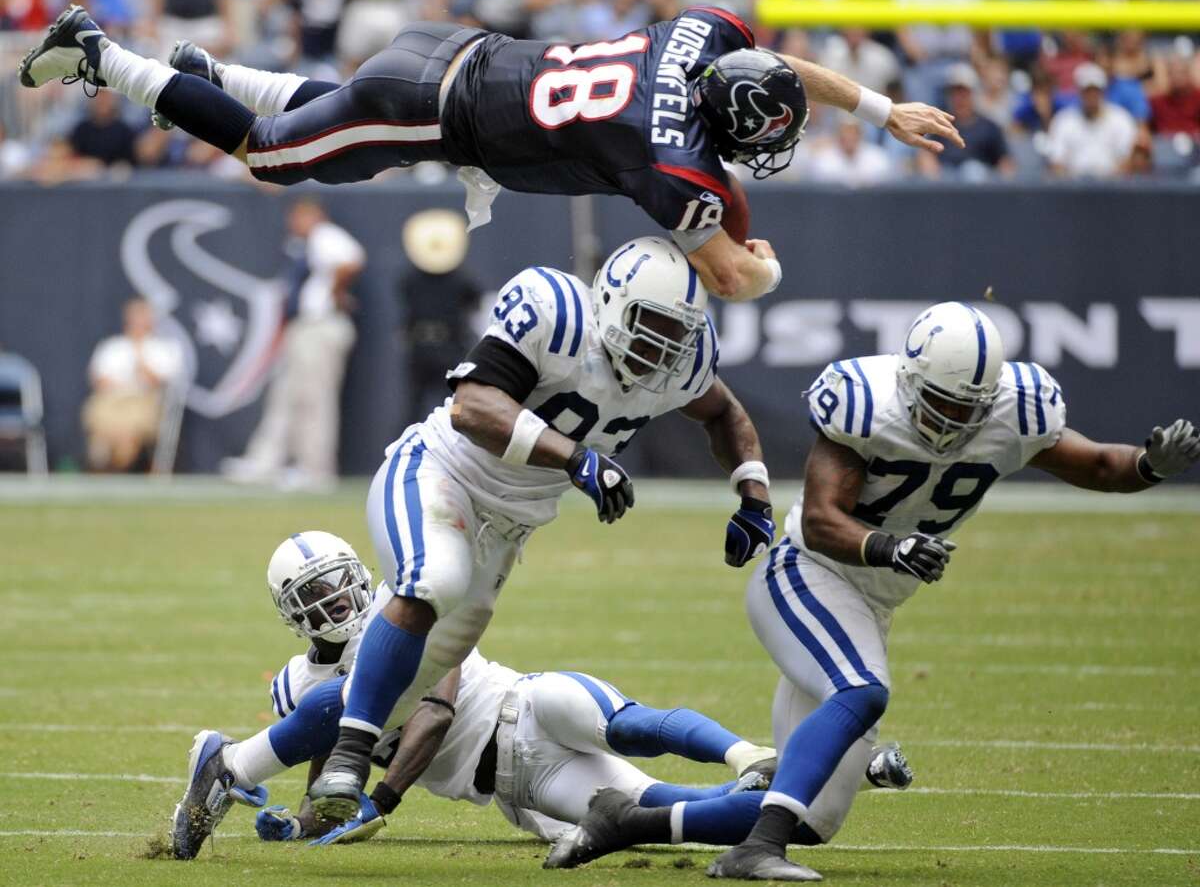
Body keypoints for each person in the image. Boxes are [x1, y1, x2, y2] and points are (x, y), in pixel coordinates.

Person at [544, 301, 1200, 880]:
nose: (954, 419)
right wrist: (889, 545)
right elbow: (826, 520)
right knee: (862, 688)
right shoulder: (868, 404)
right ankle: (753, 852)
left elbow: (1098, 465)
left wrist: (1147, 466)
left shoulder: (1015, 412)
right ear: (910, 380)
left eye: (969, 407)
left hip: (871, 602)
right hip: (807, 577)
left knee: (815, 815)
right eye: (942, 402)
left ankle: (625, 818)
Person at [299, 235, 775, 828]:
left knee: (419, 678)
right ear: (610, 301)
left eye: (675, 332)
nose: (661, 346)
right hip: (439, 473)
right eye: (648, 323)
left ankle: (243, 764)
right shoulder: (557, 313)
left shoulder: (684, 362)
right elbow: (472, 405)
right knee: (432, 581)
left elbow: (724, 412)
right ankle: (347, 757)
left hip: (506, 527)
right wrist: (576, 458)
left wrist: (753, 494)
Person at [19, 3, 962, 302]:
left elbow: (778, 62)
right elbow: (727, 277)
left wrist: (878, 109)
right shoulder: (666, 157)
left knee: (339, 134)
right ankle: (103, 54)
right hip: (433, 105)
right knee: (272, 159)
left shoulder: (701, 41)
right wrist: (766, 264)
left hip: (450, 52)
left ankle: (204, 67)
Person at [169, 529, 864, 857]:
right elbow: (329, 782)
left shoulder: (400, 607)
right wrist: (303, 823)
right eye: (317, 593)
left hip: (523, 706)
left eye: (344, 579)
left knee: (628, 725)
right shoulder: (298, 685)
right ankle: (818, 775)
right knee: (657, 810)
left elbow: (437, 706)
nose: (341, 598)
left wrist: (382, 802)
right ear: (292, 612)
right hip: (514, 783)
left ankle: (751, 755)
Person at [220, 197, 364, 490]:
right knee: (284, 396)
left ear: (313, 215)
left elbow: (351, 260)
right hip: (304, 328)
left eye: (299, 217)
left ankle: (315, 470)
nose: (293, 224)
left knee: (314, 399)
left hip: (320, 326)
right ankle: (265, 463)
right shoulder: (306, 244)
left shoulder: (326, 235)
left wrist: (335, 294)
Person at [397, 209, 479, 425]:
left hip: (449, 348)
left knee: (455, 405)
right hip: (425, 350)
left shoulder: (461, 281)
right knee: (414, 407)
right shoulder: (412, 280)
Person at [82, 297, 183, 471]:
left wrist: (139, 355)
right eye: (135, 317)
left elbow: (157, 382)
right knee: (101, 426)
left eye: (143, 317)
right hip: (112, 401)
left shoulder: (164, 348)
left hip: (144, 402)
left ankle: (118, 463)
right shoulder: (112, 347)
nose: (139, 322)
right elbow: (99, 380)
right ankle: (103, 462)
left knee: (127, 433)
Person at [917, 64, 1013, 179]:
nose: (959, 98)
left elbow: (1005, 162)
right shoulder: (940, 126)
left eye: (964, 93)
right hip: (947, 183)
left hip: (981, 186)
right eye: (955, 93)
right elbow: (927, 154)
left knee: (973, 170)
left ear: (973, 94)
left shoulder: (989, 127)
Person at [1047, 62, 1138, 178]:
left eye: (1095, 90)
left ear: (1103, 91)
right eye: (1087, 91)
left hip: (1113, 188)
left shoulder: (1121, 119)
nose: (1091, 95)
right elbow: (1056, 163)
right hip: (1072, 189)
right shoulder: (1063, 121)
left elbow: (1127, 161)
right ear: (1079, 91)